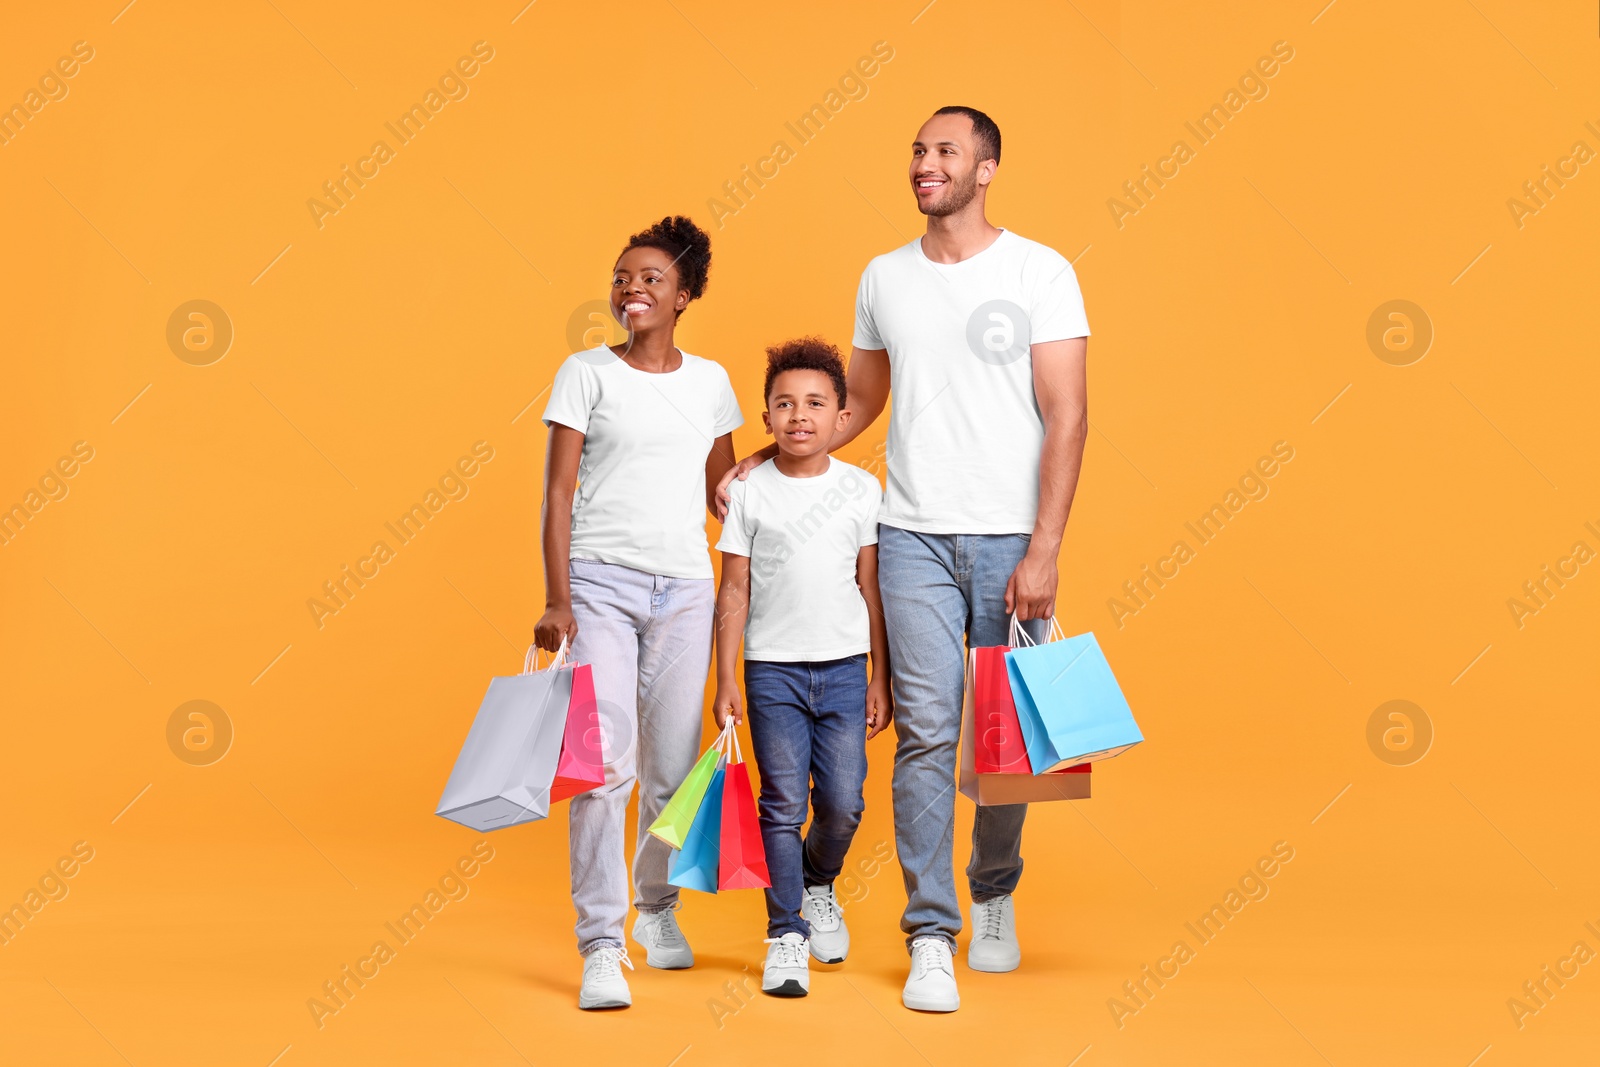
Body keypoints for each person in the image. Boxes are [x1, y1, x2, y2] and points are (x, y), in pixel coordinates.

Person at [717, 106, 1091, 1012]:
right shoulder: (884, 276)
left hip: (1010, 535)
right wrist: (766, 458)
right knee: (926, 732)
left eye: (945, 152)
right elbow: (859, 401)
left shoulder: (1041, 270)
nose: (926, 164)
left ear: (987, 168)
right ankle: (933, 931)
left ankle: (993, 889)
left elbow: (1068, 411)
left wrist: (1045, 547)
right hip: (913, 533)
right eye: (919, 151)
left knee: (1011, 740)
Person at [536, 216, 742, 1010]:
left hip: (686, 589)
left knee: (671, 767)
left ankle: (657, 908)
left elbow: (723, 497)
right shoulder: (586, 372)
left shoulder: (711, 381)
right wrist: (558, 596)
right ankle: (600, 943)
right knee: (604, 765)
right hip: (600, 584)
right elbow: (558, 493)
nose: (632, 288)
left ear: (685, 295)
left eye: (652, 278)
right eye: (623, 276)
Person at [711, 339, 892, 999]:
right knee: (781, 803)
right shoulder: (752, 492)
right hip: (772, 674)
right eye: (783, 404)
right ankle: (784, 932)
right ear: (766, 417)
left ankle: (818, 881)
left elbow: (872, 589)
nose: (799, 416)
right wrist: (726, 677)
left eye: (815, 403)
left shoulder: (861, 490)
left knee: (843, 803)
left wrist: (881, 677)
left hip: (845, 670)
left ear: (842, 415)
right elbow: (733, 591)